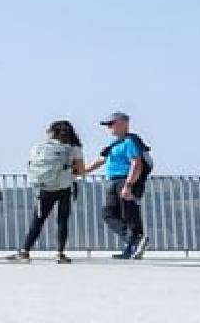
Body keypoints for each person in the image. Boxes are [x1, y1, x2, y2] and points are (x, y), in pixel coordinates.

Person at [8, 120, 86, 264]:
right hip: (65, 187)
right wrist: (71, 170)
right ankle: (60, 254)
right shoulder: (74, 148)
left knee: (38, 220)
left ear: (52, 132)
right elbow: (81, 171)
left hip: (44, 188)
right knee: (62, 220)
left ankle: (25, 251)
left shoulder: (40, 148)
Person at [84, 112, 153, 260]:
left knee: (128, 214)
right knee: (110, 213)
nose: (109, 128)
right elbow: (101, 160)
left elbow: (137, 163)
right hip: (113, 181)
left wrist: (128, 185)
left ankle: (134, 243)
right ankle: (134, 243)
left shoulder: (130, 142)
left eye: (111, 124)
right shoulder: (115, 144)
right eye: (107, 125)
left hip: (124, 180)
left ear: (123, 123)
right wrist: (83, 171)